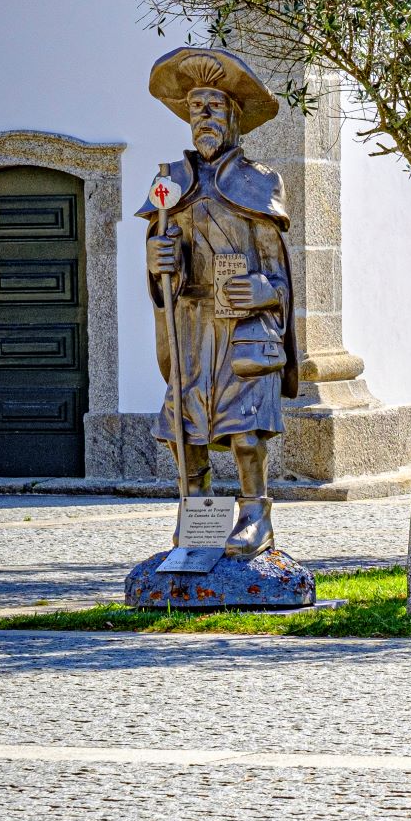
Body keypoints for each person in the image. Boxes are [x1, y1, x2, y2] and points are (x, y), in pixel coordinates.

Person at [140, 47, 302, 557]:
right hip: (192, 325)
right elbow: (161, 269)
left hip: (242, 326)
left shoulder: (259, 182)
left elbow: (279, 272)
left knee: (246, 431)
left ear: (234, 115)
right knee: (183, 429)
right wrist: (159, 261)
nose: (203, 118)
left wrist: (264, 291)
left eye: (213, 107)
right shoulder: (171, 184)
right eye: (195, 108)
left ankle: (256, 515)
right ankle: (201, 519)